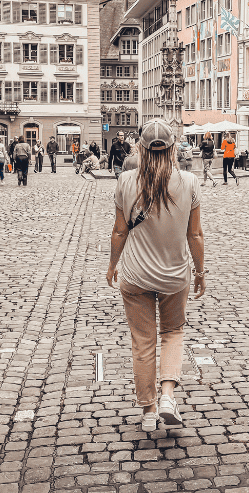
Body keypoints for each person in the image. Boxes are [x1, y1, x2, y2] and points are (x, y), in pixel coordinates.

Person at [106, 119, 206, 433]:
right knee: (173, 333)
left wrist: (112, 265)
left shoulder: (125, 180)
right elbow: (196, 235)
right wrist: (200, 271)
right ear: (174, 148)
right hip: (175, 276)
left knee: (142, 343)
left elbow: (120, 231)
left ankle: (148, 411)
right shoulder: (189, 181)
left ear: (141, 149)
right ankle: (167, 396)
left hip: (135, 276)